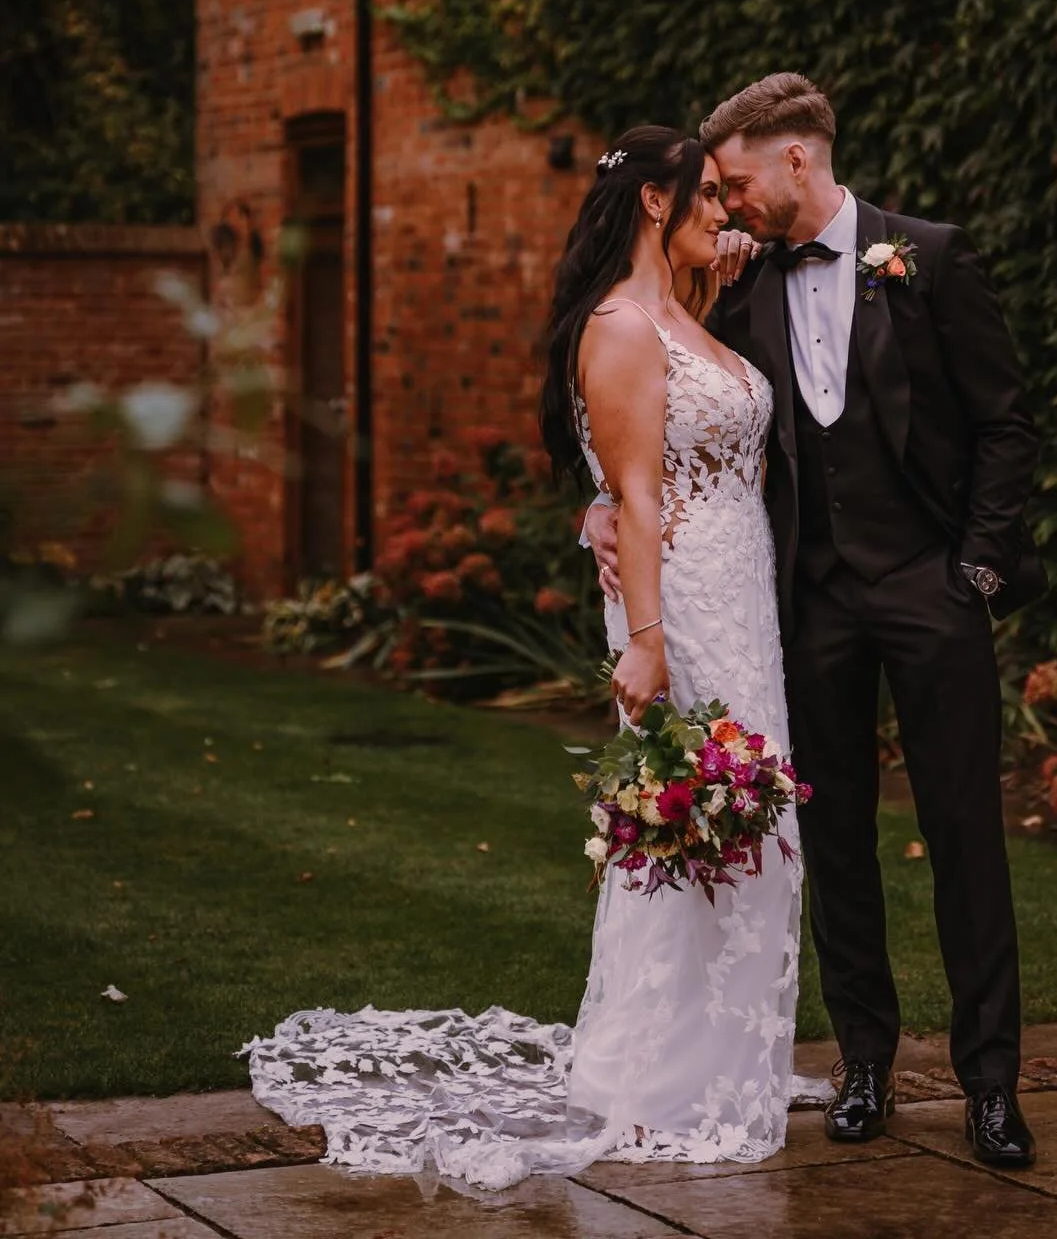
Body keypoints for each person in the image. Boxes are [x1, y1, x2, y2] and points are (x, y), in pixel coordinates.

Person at [240, 126, 805, 1194]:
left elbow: (693, 441)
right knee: (696, 825)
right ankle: (660, 1081)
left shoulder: (684, 313)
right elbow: (636, 492)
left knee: (752, 826)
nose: (727, 218)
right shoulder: (623, 325)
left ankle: (727, 1065)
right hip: (678, 605)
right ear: (653, 202)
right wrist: (644, 644)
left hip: (742, 601)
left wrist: (718, 297)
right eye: (709, 200)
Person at [589, 73, 1046, 1168]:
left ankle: (992, 1087)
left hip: (930, 593)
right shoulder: (735, 283)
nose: (727, 205)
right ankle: (866, 1066)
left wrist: (975, 571)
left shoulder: (926, 258)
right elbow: (635, 393)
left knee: (966, 839)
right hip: (808, 606)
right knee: (833, 839)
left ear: (798, 157)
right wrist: (599, 498)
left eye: (736, 181)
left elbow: (1006, 424)